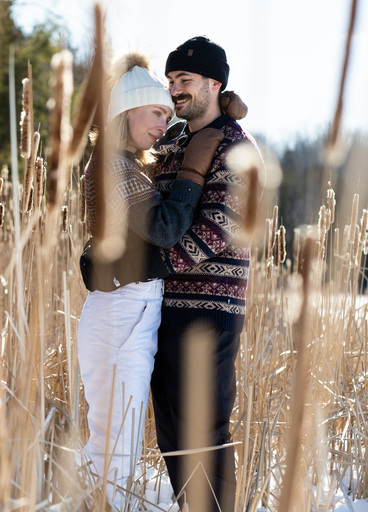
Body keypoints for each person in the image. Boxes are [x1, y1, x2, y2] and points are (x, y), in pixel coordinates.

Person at [77, 51, 227, 508]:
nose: (166, 123)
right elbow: (163, 229)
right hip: (125, 309)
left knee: (112, 432)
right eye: (157, 112)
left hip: (125, 308)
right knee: (116, 436)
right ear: (126, 111)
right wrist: (193, 172)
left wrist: (221, 110)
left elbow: (176, 132)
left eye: (168, 112)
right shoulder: (116, 167)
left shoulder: (122, 162)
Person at [148, 36, 264, 511]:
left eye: (186, 80)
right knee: (173, 433)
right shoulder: (174, 141)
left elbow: (219, 227)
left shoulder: (236, 146)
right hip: (163, 307)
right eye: (172, 79)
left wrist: (151, 265)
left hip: (208, 310)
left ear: (215, 84)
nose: (176, 89)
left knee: (204, 431)